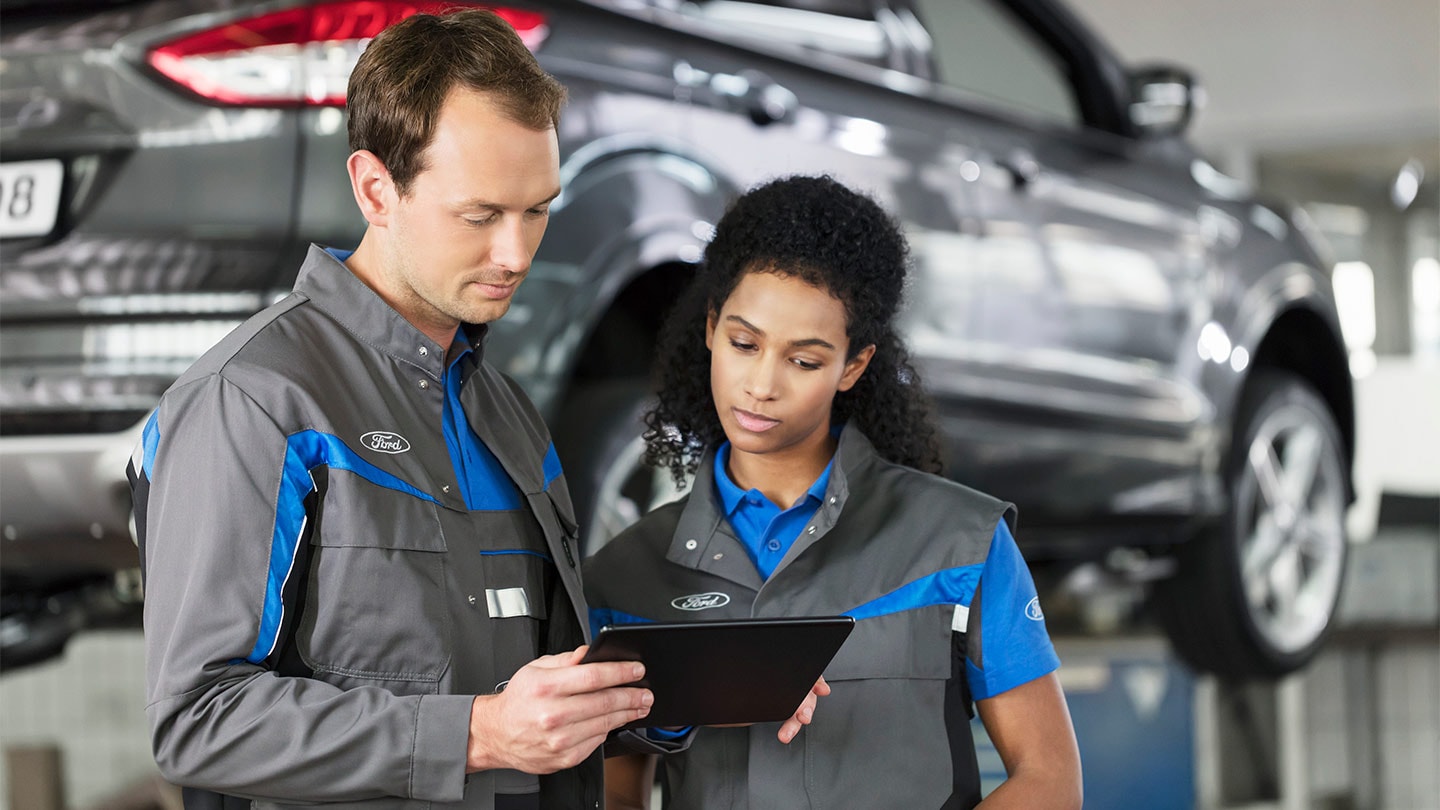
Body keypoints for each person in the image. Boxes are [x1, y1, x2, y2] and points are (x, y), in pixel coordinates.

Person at [125, 10, 714, 809]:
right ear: (375, 188)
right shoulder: (254, 403)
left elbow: (529, 697)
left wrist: (678, 695)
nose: (515, 253)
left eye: (537, 209)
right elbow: (197, 720)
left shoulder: (509, 418)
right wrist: (477, 735)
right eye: (480, 216)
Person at [584, 175, 1084, 809]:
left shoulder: (963, 545)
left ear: (853, 364)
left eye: (804, 360)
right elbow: (615, 797)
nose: (761, 385)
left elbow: (1049, 781)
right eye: (744, 344)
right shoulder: (626, 577)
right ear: (711, 328)